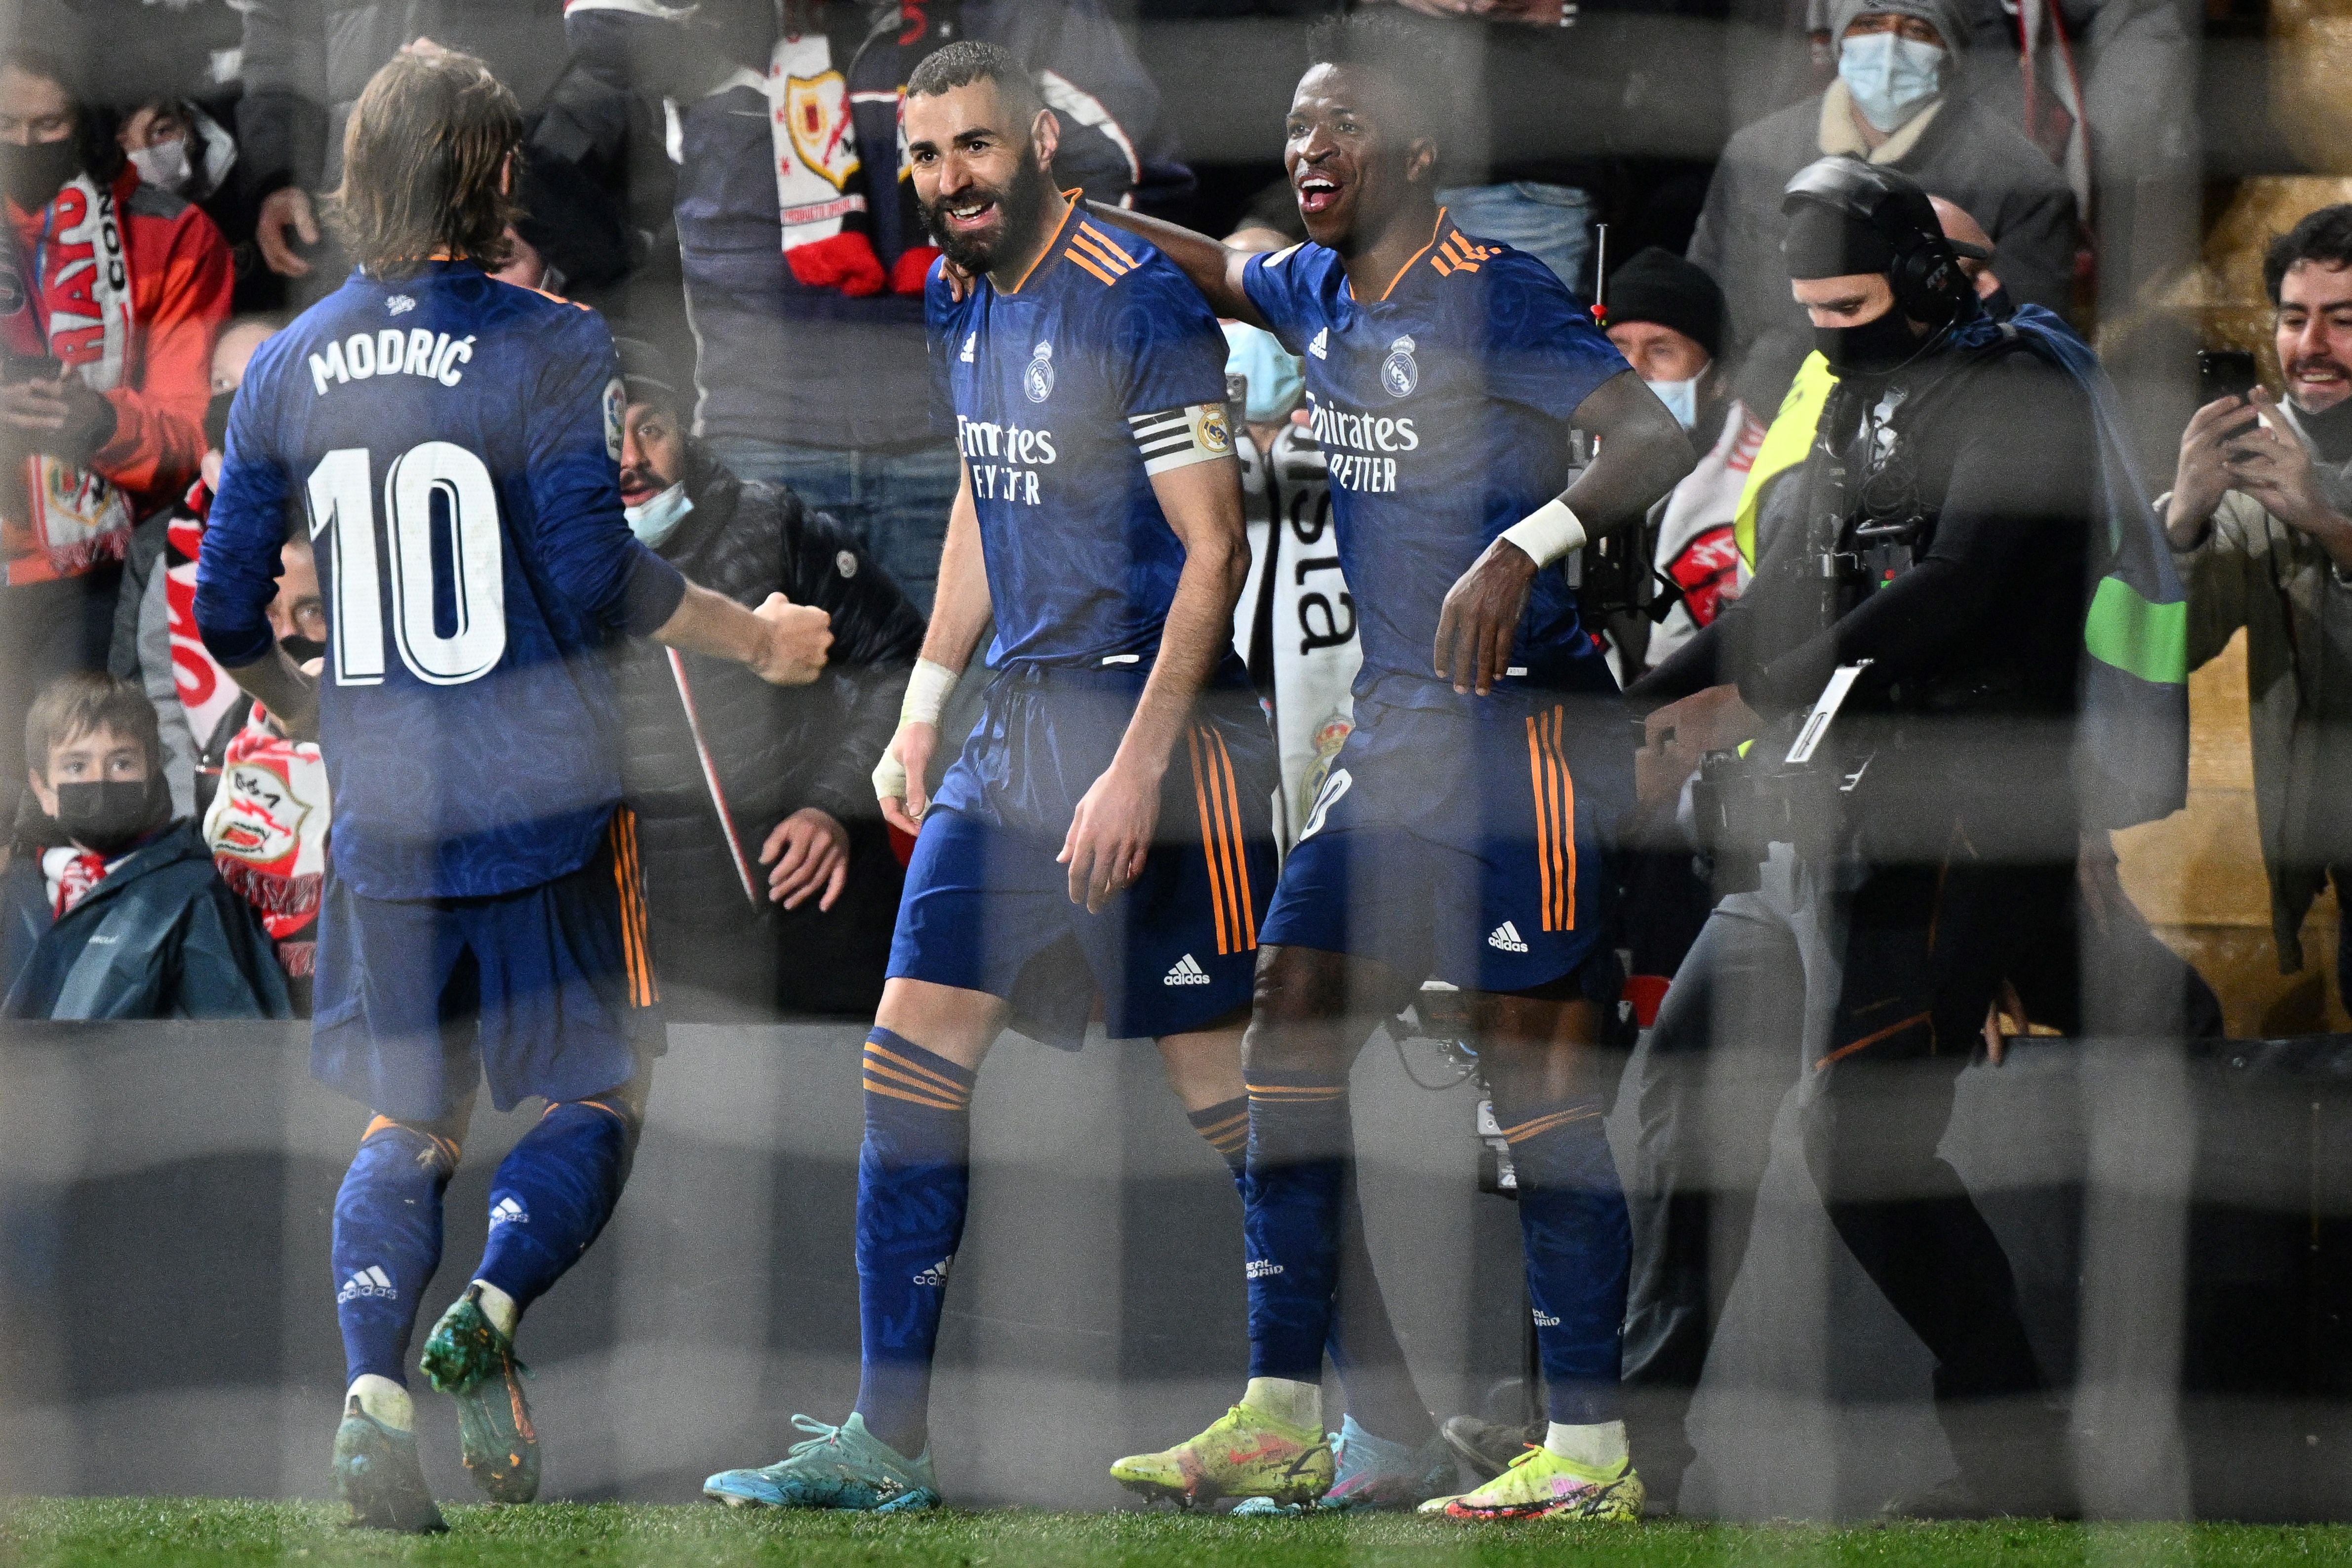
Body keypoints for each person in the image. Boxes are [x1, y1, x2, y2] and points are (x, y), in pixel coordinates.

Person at [697, 39, 1354, 1517]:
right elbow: (987, 504)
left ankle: (1341, 1411)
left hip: (1165, 740)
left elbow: (1213, 552)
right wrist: (924, 705)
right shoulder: (952, 286)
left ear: (1042, 139)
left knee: (1236, 1098)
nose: (948, 181)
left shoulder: (1134, 298)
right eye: (924, 158)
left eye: (974, 149)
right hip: (1011, 736)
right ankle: (888, 1440)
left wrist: (1135, 772)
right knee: (905, 1067)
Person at [193, 49, 833, 1533]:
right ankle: (487, 1298)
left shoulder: (287, 363)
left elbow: (230, 608)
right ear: (489, 180)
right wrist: (762, 636)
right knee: (600, 1086)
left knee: (404, 1127)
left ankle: (368, 1394)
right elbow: (600, 573)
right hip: (544, 799)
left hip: (390, 819)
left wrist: (316, 711)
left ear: (357, 179)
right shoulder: (551, 345)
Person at [1082, 12, 1694, 1522]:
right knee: (1286, 1028)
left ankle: (1594, 1456)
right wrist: (1068, 210)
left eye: (1339, 126)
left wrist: (1518, 545)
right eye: (1296, 130)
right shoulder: (1321, 286)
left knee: (1540, 1089)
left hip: (1525, 733)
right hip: (1401, 737)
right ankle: (1284, 1411)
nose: (1308, 151)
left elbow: (1650, 432)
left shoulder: (1499, 295)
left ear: (1418, 151)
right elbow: (1224, 269)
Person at [1618, 157, 2181, 1518]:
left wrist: (1773, 679)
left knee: (1856, 1135)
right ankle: (1625, 1459)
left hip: (1967, 812)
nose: (1834, 330)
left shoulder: (2020, 389)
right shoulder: (1847, 406)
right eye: (1813, 310)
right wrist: (1635, 685)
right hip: (1826, 820)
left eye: (1857, 302)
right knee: (1680, 1093)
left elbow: (1962, 580)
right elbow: (1784, 600)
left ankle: (2019, 1456)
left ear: (1932, 277)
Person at [560, 0, 1189, 612]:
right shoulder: (726, 20)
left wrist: (1024, 280)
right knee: (766, 711)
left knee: (958, 711)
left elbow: (1129, 168)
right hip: (760, 442)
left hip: (962, 444)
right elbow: (596, 20)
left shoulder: (1013, 18)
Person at [606, 336, 926, 1019]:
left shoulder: (771, 523)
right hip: (667, 950)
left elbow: (901, 662)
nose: (632, 460)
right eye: (610, 438)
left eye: (651, 430)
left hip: (828, 908)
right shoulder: (552, 573)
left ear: (684, 432)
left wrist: (834, 807)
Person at [0, 44, 232, 828]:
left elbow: (189, 438)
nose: (26, 145)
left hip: (100, 570)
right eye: (5, 126)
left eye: (49, 124)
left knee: (72, 826)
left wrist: (100, 424)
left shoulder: (172, 233)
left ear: (90, 120)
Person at [1687, 0, 2077, 408]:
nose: (1888, 47)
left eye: (1916, 30)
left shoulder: (2023, 183)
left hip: (1928, 422)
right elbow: (1701, 297)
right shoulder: (1757, 154)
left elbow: (2025, 346)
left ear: (1950, 48)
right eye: (1869, 24)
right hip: (1759, 419)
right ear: (1838, 39)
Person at [2165, 205, 2352, 995]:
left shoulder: (2295, 491)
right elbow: (2160, 653)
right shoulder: (2265, 468)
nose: (2309, 348)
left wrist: (2331, 529)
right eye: (2293, 319)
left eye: (2343, 322)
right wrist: (2181, 523)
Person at [0, 670, 290, 1019]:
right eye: (76, 766)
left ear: (153, 773)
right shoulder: (15, 892)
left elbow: (235, 1046)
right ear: (43, 790)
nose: (100, 780)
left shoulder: (197, 894)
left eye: (122, 763)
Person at [112, 315, 279, 817]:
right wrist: (191, 825)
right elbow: (141, 698)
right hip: (193, 816)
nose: (235, 401)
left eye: (259, 381)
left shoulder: (355, 518)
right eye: (222, 384)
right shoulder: (162, 543)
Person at [1602, 246, 1766, 673]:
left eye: (1661, 352)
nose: (1633, 370)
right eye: (1617, 348)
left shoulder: (1763, 476)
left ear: (1718, 379)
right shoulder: (1554, 457)